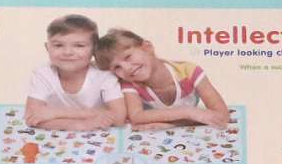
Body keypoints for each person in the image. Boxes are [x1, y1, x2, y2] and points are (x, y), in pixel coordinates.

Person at [96, 28, 232, 128]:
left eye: (127, 57)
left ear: (147, 48)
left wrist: (174, 123)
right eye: (117, 67)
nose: (126, 68)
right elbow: (136, 116)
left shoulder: (189, 71)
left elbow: (222, 115)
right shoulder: (130, 84)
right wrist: (188, 113)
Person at [24, 14, 127, 131]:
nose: (67, 52)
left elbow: (119, 118)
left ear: (94, 49)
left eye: (79, 46)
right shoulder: (43, 73)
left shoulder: (104, 74)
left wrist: (55, 113)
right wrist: (78, 125)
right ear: (47, 48)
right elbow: (31, 116)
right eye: (58, 45)